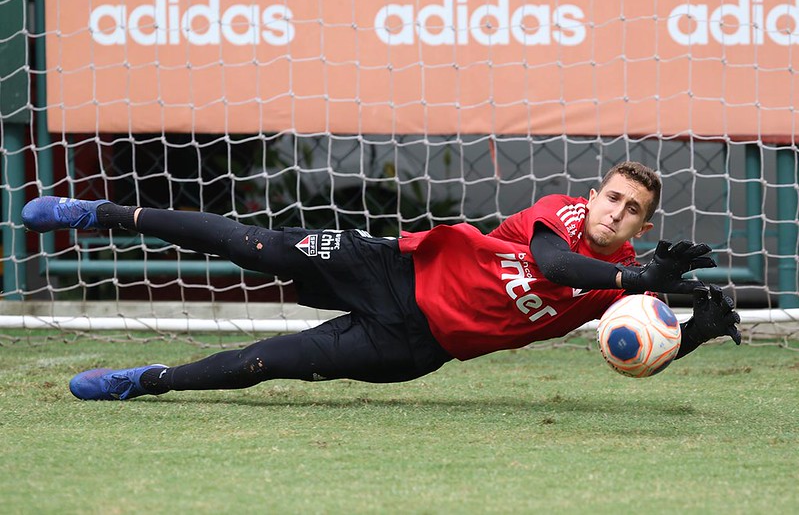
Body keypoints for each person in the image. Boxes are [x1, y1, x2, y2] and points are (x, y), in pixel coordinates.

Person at [22, 161, 741, 401]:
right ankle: (103, 211)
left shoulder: (624, 283)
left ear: (642, 224)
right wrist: (645, 274)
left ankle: (141, 381)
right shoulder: (563, 215)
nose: (614, 210)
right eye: (613, 195)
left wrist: (696, 327)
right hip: (391, 264)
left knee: (266, 361)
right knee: (256, 244)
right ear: (598, 193)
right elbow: (554, 267)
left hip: (411, 343)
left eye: (631, 209)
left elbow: (636, 346)